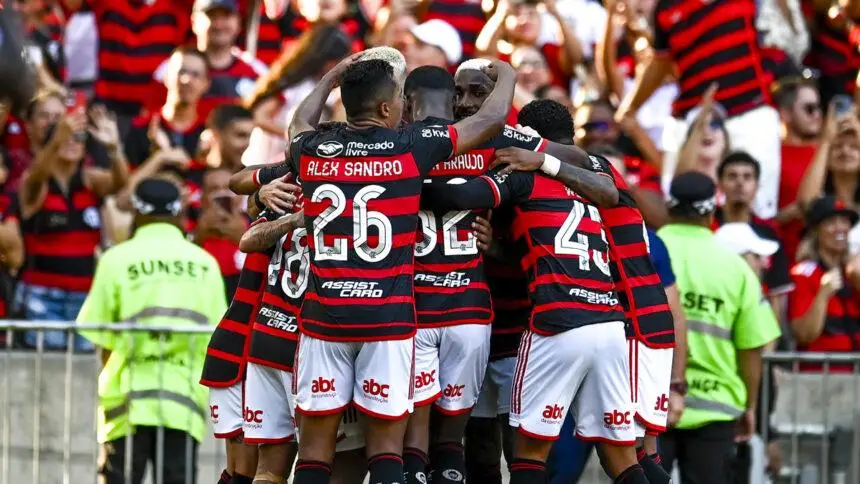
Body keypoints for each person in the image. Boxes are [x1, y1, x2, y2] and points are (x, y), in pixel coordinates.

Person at [284, 51, 516, 484]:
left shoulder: (311, 152)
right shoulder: (410, 150)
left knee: (315, 455)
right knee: (388, 455)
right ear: (389, 108)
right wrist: (507, 73)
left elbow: (297, 123)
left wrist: (331, 74)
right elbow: (491, 120)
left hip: (323, 320)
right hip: (388, 323)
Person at [421, 139, 655, 483]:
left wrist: (392, 182)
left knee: (528, 454)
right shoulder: (590, 184)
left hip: (555, 323)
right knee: (622, 456)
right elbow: (607, 193)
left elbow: (460, 197)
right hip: (609, 324)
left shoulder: (522, 178)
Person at [497, 98, 687, 484]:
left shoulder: (566, 174)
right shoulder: (603, 170)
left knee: (628, 452)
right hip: (640, 319)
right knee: (629, 453)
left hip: (625, 320)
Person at [77, 177, 227, 484]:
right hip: (183, 404)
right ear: (179, 212)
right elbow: (217, 336)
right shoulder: (205, 264)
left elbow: (100, 337)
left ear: (137, 210)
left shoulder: (116, 259)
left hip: (126, 403)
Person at [656, 171, 782, 483]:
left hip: (651, 403)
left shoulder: (647, 253)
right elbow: (752, 346)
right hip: (717, 409)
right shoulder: (735, 267)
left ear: (669, 207)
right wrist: (750, 406)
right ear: (714, 209)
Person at [617, 0, 780, 219]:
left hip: (750, 112)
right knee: (680, 204)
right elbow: (661, 62)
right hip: (691, 119)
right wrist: (630, 106)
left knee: (760, 209)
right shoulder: (665, 8)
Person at [17, 105, 129, 351]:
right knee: (46, 372)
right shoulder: (36, 182)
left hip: (85, 296)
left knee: (82, 374)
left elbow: (121, 184)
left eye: (78, 137)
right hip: (42, 296)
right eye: (65, 136)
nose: (72, 142)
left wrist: (113, 148)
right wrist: (56, 139)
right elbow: (34, 179)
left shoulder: (90, 180)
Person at [201, 236, 270, 484]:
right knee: (245, 469)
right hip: (239, 357)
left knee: (238, 470)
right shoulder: (268, 233)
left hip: (240, 351)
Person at [714, 152, 794, 316]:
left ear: (757, 185)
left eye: (747, 177)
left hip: (755, 320)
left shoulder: (770, 236)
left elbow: (776, 295)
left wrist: (770, 339)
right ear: (720, 184)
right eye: (732, 176)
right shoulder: (708, 228)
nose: (740, 182)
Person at [789, 196, 860, 368]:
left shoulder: (854, 272)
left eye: (844, 222)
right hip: (819, 380)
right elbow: (804, 334)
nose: (840, 228)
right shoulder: (804, 274)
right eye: (831, 222)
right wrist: (823, 295)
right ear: (815, 230)